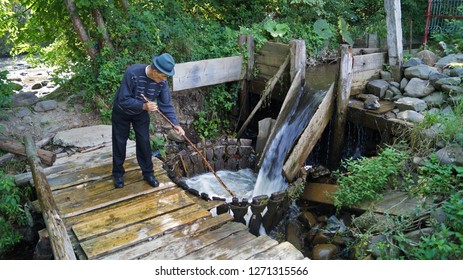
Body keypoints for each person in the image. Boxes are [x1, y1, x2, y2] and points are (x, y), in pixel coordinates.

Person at [112, 53, 185, 188]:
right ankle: (117, 174)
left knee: (144, 142)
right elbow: (123, 99)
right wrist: (143, 105)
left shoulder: (162, 82)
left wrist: (175, 124)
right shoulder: (132, 73)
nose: (165, 79)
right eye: (164, 76)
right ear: (155, 71)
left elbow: (166, 104)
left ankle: (148, 173)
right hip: (122, 111)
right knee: (119, 142)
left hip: (141, 113)